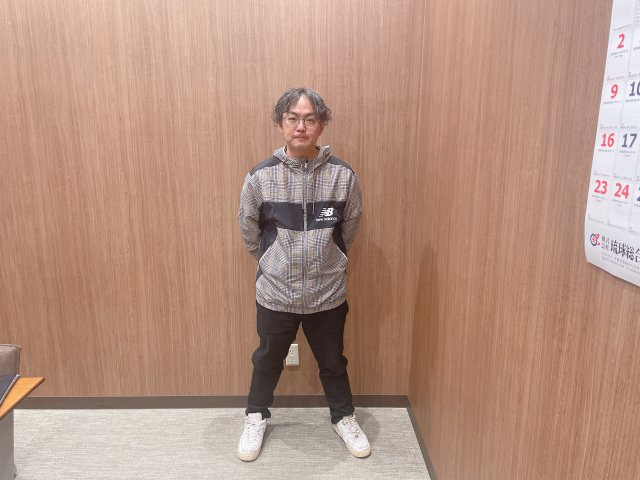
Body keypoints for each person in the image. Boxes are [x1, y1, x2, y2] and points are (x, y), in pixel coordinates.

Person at [236, 87, 369, 461]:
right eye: (293, 118)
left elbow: (349, 227)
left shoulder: (343, 176)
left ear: (321, 125)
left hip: (328, 293)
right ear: (280, 124)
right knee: (267, 360)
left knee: (333, 362)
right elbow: (248, 228)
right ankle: (256, 416)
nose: (301, 126)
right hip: (276, 293)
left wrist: (332, 260)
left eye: (310, 119)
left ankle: (343, 417)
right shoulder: (260, 177)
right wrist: (273, 262)